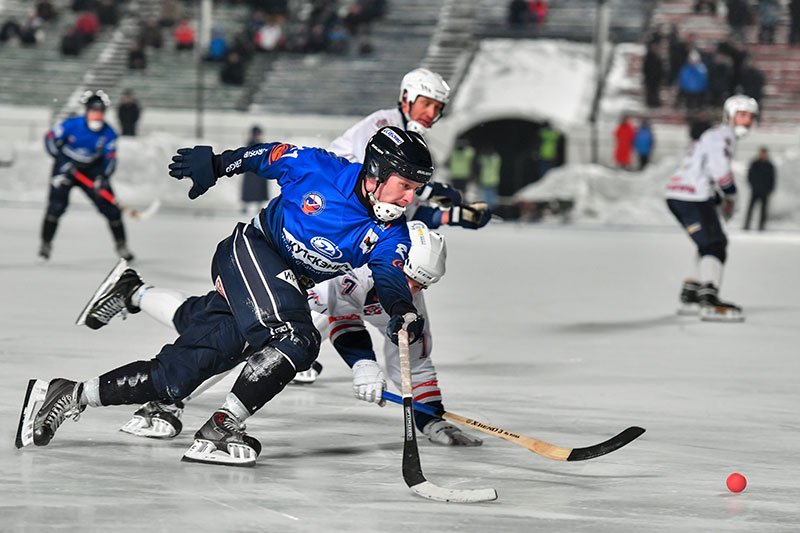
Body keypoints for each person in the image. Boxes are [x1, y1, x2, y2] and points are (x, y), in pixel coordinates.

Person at [17, 126, 434, 467]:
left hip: (279, 283)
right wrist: (218, 164)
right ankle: (223, 425)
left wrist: (401, 310)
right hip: (251, 251)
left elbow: (390, 275)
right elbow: (267, 156)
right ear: (376, 172)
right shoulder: (318, 168)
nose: (409, 198)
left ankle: (69, 393)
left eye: (416, 189)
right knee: (297, 338)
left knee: (178, 376)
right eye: (405, 186)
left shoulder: (390, 231)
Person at [80, 222, 481, 447]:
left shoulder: (404, 296)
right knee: (231, 344)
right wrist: (363, 365)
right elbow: (338, 320)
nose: (412, 291)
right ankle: (166, 400)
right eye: (409, 278)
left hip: (294, 309)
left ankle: (133, 290)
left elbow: (415, 358)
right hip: (271, 283)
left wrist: (432, 420)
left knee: (195, 320)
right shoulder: (353, 267)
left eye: (422, 286)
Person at [328, 67, 492, 234]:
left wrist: (457, 215)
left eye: (438, 107)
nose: (431, 113)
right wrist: (429, 190)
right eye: (426, 104)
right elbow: (377, 185)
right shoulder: (383, 127)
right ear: (406, 98)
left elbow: (401, 211)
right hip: (331, 212)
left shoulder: (412, 141)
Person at [665, 95, 759, 321]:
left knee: (708, 242)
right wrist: (730, 194)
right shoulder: (722, 136)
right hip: (692, 196)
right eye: (742, 115)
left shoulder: (715, 134)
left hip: (683, 194)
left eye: (750, 117)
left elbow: (703, 167)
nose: (746, 122)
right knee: (715, 244)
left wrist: (716, 196)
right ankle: (708, 297)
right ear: (730, 116)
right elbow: (719, 168)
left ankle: (693, 292)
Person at [39, 90, 134, 262]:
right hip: (66, 167)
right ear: (87, 111)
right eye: (93, 111)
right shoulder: (71, 125)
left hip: (92, 170)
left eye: (100, 112)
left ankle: (122, 245)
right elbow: (49, 139)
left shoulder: (108, 133)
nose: (97, 115)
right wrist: (60, 160)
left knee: (111, 209)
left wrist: (103, 178)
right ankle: (46, 244)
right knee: (56, 207)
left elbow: (110, 159)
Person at [743, 147, 776, 231]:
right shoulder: (754, 163)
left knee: (763, 210)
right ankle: (746, 225)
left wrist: (770, 188)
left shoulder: (769, 165)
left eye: (764, 153)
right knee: (750, 208)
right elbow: (749, 175)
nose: (762, 155)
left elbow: (772, 178)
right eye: (761, 153)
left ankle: (761, 226)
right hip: (755, 190)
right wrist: (752, 185)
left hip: (765, 191)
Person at [240, 125, 269, 215]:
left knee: (259, 189)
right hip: (252, 170)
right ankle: (245, 207)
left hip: (258, 169)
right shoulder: (250, 144)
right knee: (250, 188)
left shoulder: (259, 143)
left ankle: (258, 206)